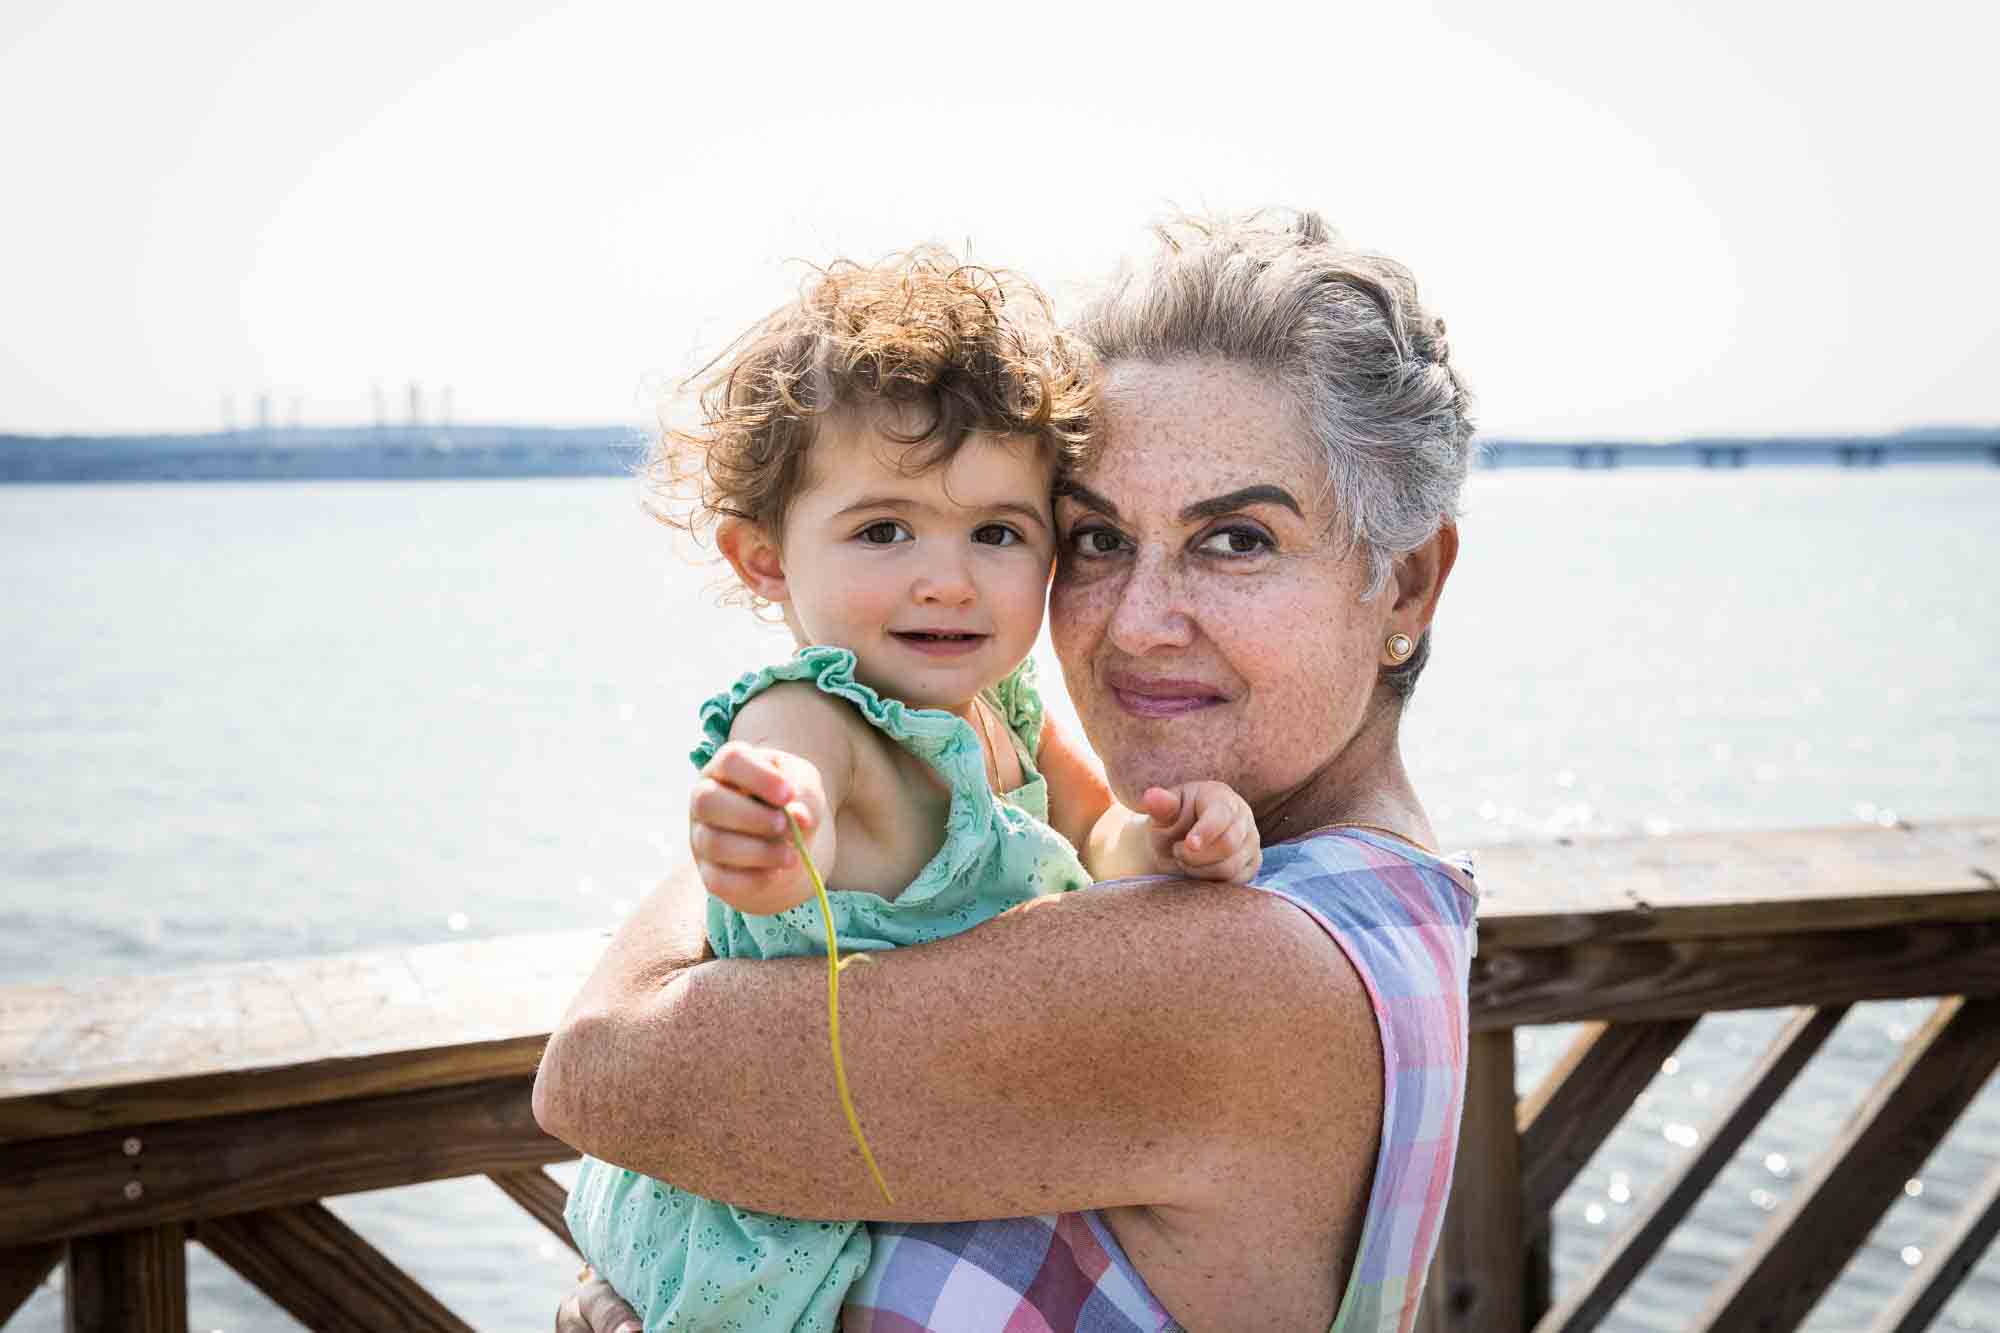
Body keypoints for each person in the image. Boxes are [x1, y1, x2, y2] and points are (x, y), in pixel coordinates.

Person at [536, 209, 1480, 1333]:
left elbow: (602, 1072)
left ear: (1407, 584)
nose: (1138, 623)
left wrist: (833, 782)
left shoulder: (1235, 969)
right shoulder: (1355, 904)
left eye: (1236, 540)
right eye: (1093, 539)